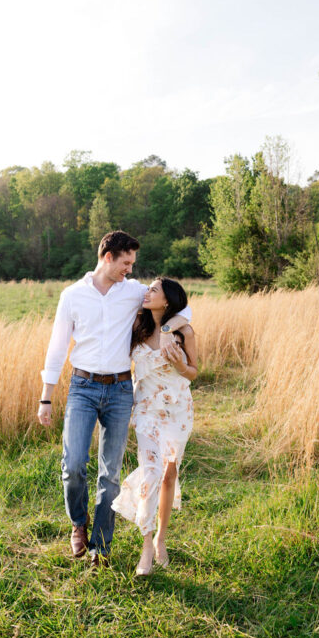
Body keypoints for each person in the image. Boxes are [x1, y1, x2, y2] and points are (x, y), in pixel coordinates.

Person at [37, 231, 191, 569]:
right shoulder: (72, 296)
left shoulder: (134, 293)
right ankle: (79, 523)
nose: (130, 270)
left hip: (121, 391)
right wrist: (45, 398)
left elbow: (181, 306)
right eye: (126, 262)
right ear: (109, 257)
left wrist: (167, 331)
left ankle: (100, 547)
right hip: (82, 386)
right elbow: (57, 347)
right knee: (73, 464)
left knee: (110, 473)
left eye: (132, 264)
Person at [111, 277, 197, 576]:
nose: (147, 292)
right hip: (146, 410)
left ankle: (161, 537)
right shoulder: (138, 327)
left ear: (168, 300)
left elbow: (194, 372)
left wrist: (180, 366)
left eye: (154, 290)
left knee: (169, 475)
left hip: (177, 410)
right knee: (151, 472)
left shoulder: (183, 331)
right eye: (147, 288)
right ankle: (146, 546)